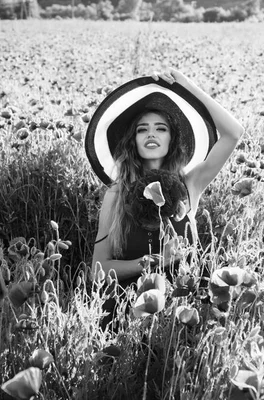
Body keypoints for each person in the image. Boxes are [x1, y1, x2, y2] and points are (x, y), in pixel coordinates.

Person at [85, 68, 244, 327]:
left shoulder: (190, 184)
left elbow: (233, 134)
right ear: (132, 141)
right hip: (129, 310)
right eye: (142, 130)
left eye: (161, 129)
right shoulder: (116, 193)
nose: (151, 134)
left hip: (184, 309)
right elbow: (98, 270)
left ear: (172, 139)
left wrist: (187, 86)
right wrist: (153, 262)